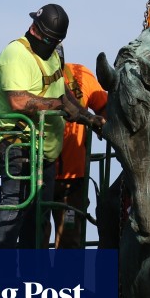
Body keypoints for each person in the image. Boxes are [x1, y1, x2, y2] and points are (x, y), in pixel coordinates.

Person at [0, 3, 103, 249]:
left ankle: (32, 270)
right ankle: (0, 266)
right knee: (13, 211)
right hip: (19, 149)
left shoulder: (52, 56)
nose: (33, 32)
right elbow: (18, 101)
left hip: (46, 155)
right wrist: (57, 105)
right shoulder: (16, 54)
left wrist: (89, 118)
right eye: (35, 28)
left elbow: (63, 95)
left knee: (37, 221)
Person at [53, 60, 108, 249]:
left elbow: (105, 108)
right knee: (36, 239)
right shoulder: (31, 76)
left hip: (73, 179)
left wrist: (104, 125)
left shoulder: (79, 75)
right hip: (38, 176)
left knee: (70, 241)